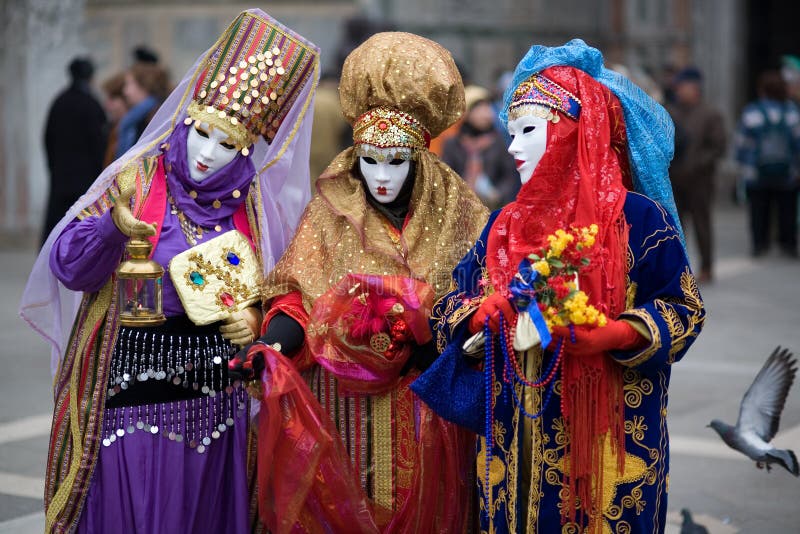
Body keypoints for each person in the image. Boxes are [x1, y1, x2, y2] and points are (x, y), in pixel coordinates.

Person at [21, 9, 319, 533]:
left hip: (216, 406)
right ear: (184, 121)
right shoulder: (136, 181)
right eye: (201, 133)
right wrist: (114, 226)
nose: (207, 154)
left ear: (247, 152)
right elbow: (68, 265)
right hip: (129, 394)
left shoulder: (250, 206)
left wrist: (253, 324)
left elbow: (277, 293)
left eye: (227, 145)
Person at [412, 39, 706, 533]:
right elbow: (450, 306)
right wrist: (482, 314)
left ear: (576, 133)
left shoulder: (638, 221)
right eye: (511, 131)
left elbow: (685, 309)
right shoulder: (504, 225)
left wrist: (618, 334)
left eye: (528, 130)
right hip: (512, 445)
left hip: (612, 445)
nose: (513, 147)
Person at [231, 31, 488, 532]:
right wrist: (272, 346)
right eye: (370, 161)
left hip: (425, 411)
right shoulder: (329, 214)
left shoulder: (462, 213)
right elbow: (296, 295)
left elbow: (482, 298)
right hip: (344, 412)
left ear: (420, 158)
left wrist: (444, 338)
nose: (381, 177)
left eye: (396, 162)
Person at [667, 67, 727, 283]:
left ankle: (707, 266)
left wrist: (698, 163)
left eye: (683, 87)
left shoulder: (710, 114)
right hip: (675, 178)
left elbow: (719, 146)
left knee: (702, 223)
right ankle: (679, 269)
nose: (680, 91)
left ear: (695, 88)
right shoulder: (671, 111)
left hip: (700, 179)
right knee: (676, 225)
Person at [42, 57, 107, 246]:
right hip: (87, 177)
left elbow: (47, 139)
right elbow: (99, 142)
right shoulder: (92, 104)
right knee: (82, 225)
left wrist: (54, 167)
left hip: (61, 176)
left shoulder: (59, 102)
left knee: (57, 226)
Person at [735, 70, 800, 258]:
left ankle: (759, 244)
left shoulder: (753, 111)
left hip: (756, 172)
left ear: (762, 89)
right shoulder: (792, 113)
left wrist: (742, 164)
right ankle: (788, 244)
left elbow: (741, 142)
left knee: (758, 209)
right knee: (787, 209)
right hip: (787, 172)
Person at [442, 98, 519, 208]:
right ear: (467, 112)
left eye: (487, 109)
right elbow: (446, 174)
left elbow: (509, 174)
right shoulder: (453, 143)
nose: (485, 114)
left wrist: (498, 194)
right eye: (479, 109)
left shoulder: (497, 141)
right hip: (459, 205)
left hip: (491, 206)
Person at [115, 61, 170, 158]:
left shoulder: (153, 120)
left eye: (129, 84)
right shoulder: (138, 118)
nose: (125, 91)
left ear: (145, 85)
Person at [100, 72, 129, 167]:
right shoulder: (113, 130)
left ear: (126, 100)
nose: (106, 105)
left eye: (112, 99)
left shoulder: (132, 133)